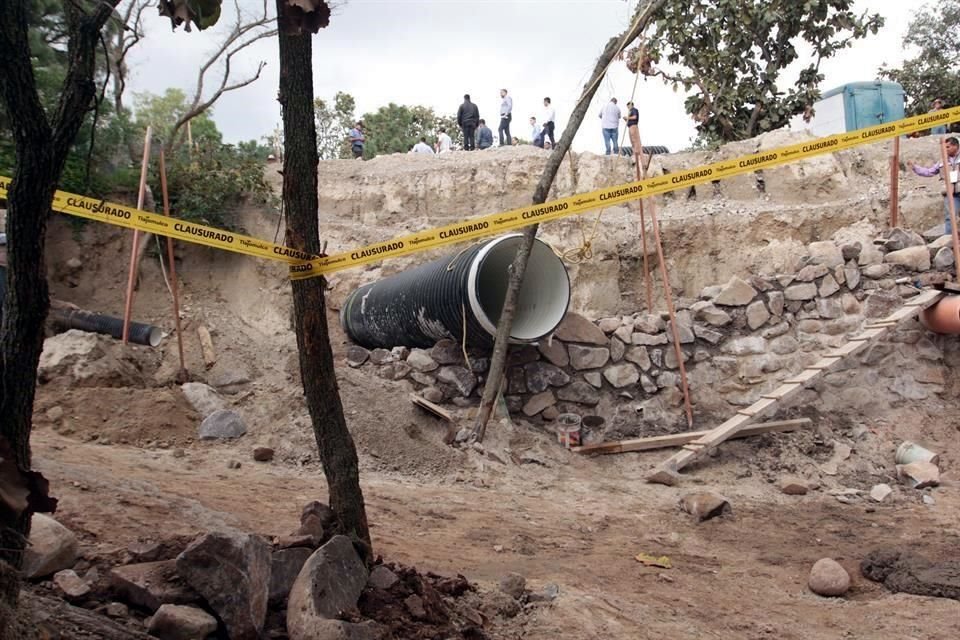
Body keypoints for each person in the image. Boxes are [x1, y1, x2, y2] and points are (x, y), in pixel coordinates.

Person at [908, 136, 960, 235]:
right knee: (950, 216)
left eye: (948, 147)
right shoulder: (942, 162)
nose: (945, 149)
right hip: (950, 194)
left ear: (956, 146)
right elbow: (929, 172)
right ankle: (948, 241)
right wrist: (915, 167)